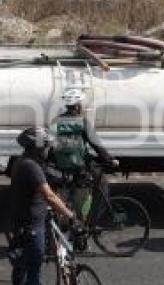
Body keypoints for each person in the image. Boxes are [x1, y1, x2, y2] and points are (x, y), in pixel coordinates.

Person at [9, 127, 77, 285]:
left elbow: (44, 183)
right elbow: (48, 195)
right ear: (38, 148)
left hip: (20, 223)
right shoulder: (32, 167)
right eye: (46, 146)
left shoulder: (23, 162)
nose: (48, 149)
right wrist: (69, 214)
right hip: (32, 227)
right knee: (33, 273)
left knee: (21, 265)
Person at [49, 88, 118, 220]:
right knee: (102, 184)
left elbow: (50, 145)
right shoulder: (82, 122)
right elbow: (96, 145)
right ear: (77, 106)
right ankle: (92, 219)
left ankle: (64, 216)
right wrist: (109, 160)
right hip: (80, 165)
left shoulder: (55, 122)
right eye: (81, 104)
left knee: (64, 191)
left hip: (61, 167)